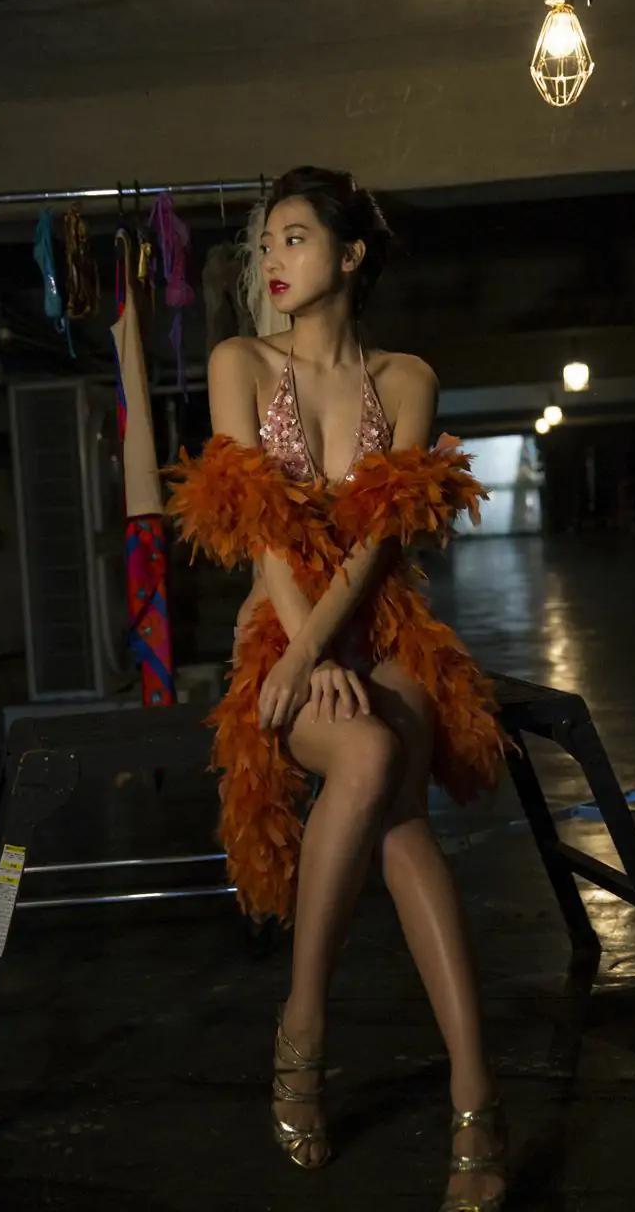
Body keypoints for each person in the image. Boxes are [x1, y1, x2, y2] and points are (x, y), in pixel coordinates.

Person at [167, 166, 508, 1211]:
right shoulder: (239, 360)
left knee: (400, 810)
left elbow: (376, 544)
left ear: (350, 255)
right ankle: (312, 1027)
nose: (271, 259)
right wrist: (302, 654)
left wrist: (332, 649)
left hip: (380, 625)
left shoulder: (406, 379)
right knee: (367, 758)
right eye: (266, 242)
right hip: (279, 626)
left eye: (295, 238)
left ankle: (468, 1096)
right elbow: (262, 530)